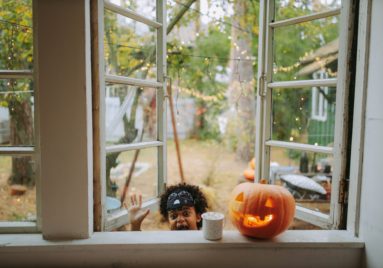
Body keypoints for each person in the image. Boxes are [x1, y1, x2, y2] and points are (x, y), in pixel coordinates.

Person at [127, 183, 208, 231]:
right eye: (173, 216)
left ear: (198, 216)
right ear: (168, 220)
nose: (180, 219)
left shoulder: (207, 241)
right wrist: (135, 225)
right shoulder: (166, 243)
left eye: (186, 213)